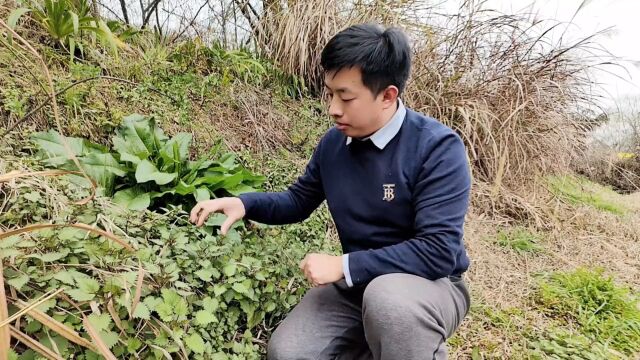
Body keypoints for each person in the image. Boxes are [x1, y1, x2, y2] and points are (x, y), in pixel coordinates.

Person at [190, 23, 471, 360]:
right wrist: (243, 203)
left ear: (387, 96)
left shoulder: (436, 148)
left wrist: (345, 265)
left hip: (429, 284)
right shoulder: (335, 144)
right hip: (358, 285)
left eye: (346, 96)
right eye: (330, 93)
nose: (333, 108)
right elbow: (296, 201)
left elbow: (437, 251)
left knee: (390, 302)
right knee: (288, 352)